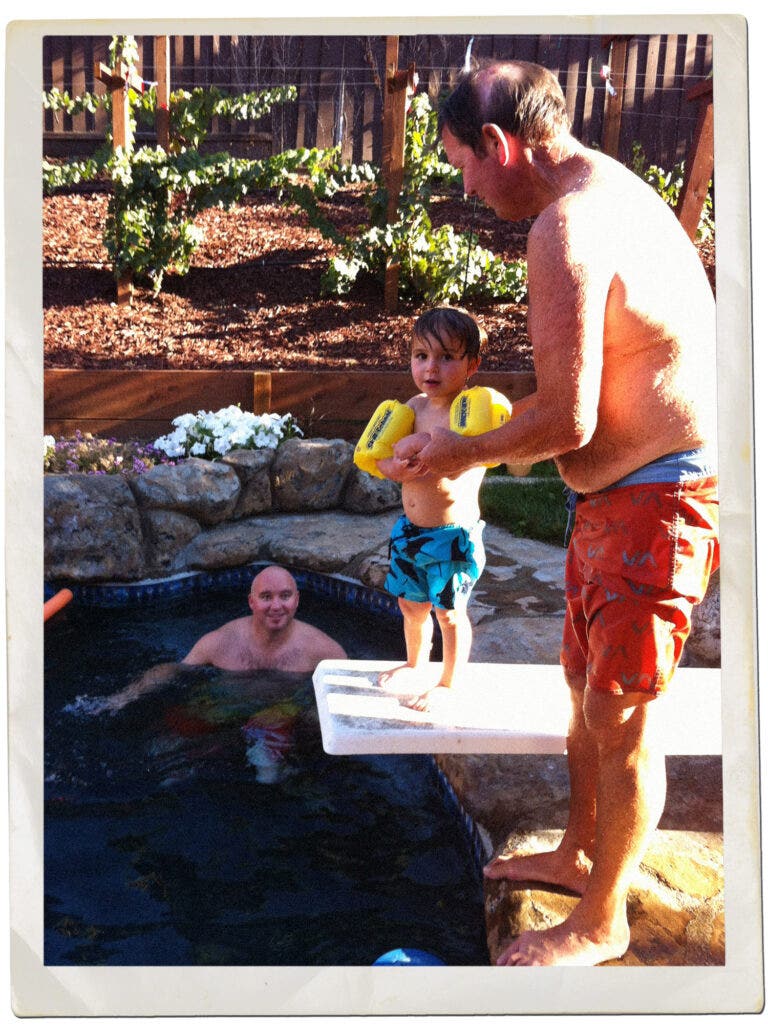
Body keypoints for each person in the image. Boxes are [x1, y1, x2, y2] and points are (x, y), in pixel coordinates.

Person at [399, 60, 719, 966]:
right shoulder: (611, 186)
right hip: (628, 493)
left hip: (659, 498)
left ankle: (603, 917)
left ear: (500, 145)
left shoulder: (564, 227)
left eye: (463, 160)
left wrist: (453, 449)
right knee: (584, 690)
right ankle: (582, 854)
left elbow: (567, 418)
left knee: (620, 714)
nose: (464, 182)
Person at [372, 306, 500, 711]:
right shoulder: (411, 407)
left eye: (447, 357)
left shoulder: (472, 414)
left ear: (471, 365)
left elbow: (481, 455)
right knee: (411, 605)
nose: (432, 367)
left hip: (451, 537)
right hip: (410, 532)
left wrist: (425, 445)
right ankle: (415, 664)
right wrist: (392, 465)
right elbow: (381, 459)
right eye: (421, 355)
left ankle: (447, 683)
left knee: (448, 612)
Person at [101, 564, 347, 711]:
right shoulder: (221, 641)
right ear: (251, 602)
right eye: (266, 597)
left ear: (297, 600)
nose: (276, 605)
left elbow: (348, 694)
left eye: (285, 596)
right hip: (225, 709)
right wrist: (125, 697)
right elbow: (175, 669)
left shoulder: (324, 651)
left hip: (286, 715)